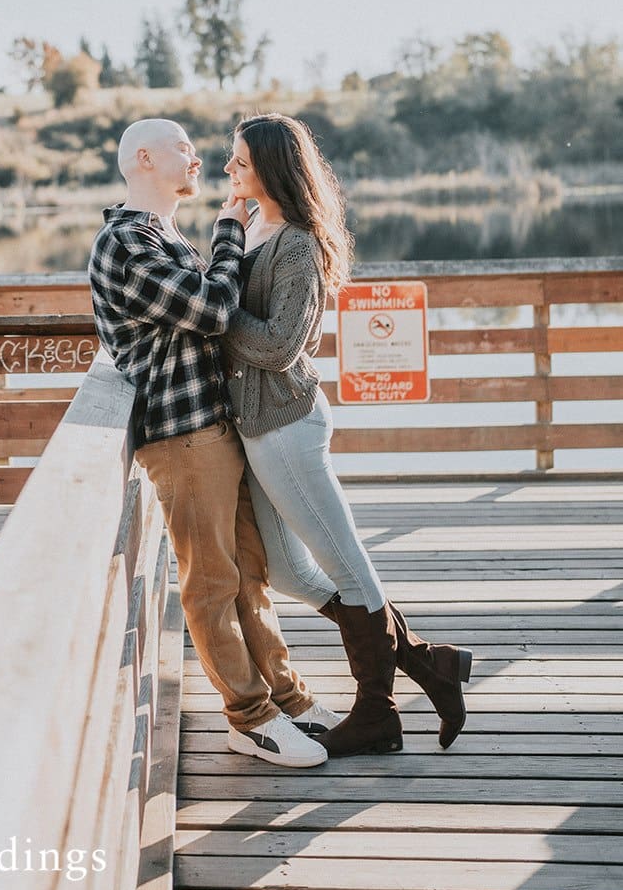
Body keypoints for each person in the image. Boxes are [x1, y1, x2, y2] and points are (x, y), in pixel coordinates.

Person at [88, 117, 341, 768]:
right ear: (144, 158)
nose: (197, 157)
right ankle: (247, 717)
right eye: (182, 147)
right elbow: (212, 311)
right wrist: (229, 230)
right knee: (210, 584)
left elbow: (209, 308)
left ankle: (288, 698)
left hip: (212, 424)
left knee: (249, 573)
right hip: (179, 434)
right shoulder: (125, 241)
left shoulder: (163, 232)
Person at [221, 113, 473, 756]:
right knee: (285, 571)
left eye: (240, 162)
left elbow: (279, 346)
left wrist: (215, 317)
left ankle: (376, 711)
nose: (229, 170)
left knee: (348, 570)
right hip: (256, 429)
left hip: (286, 427)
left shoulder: (300, 244)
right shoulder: (254, 225)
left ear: (273, 169)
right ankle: (422, 659)